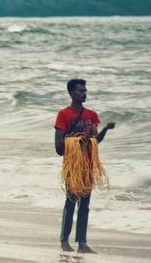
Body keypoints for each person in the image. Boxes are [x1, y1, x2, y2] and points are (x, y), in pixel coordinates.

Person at [54, 79, 115, 253]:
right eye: (80, 91)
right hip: (72, 167)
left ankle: (82, 243)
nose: (84, 93)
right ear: (72, 93)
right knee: (71, 202)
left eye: (85, 90)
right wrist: (76, 141)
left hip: (87, 166)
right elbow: (58, 147)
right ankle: (64, 241)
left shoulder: (92, 115)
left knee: (85, 205)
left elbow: (95, 140)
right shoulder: (63, 115)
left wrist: (105, 130)